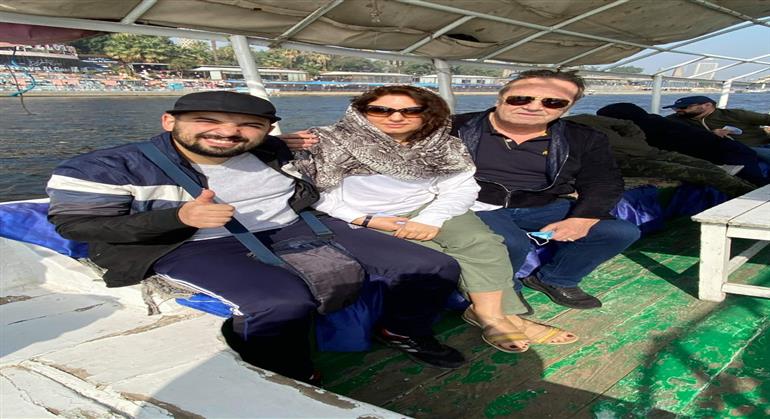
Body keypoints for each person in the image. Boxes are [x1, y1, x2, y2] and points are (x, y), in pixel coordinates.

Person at [45, 91, 469, 385]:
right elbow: (78, 226)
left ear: (266, 130)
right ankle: (290, 373)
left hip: (297, 225)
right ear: (169, 121)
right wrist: (177, 217)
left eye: (249, 125)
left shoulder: (269, 150)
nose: (229, 133)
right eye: (208, 122)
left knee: (431, 266)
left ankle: (402, 330)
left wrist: (276, 144)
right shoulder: (105, 166)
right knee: (279, 304)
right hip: (190, 243)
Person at [291, 85, 577, 353]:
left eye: (410, 110)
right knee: (438, 256)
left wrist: (431, 218)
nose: (396, 117)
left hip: (429, 207)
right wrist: (365, 219)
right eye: (381, 110)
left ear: (428, 113)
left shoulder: (444, 145)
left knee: (483, 242)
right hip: (360, 216)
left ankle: (490, 315)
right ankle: (507, 317)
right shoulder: (326, 142)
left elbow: (461, 188)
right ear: (361, 112)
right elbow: (316, 193)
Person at [452, 70, 641, 310]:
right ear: (500, 98)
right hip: (477, 202)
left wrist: (582, 218)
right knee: (511, 242)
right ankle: (505, 290)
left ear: (567, 107)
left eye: (552, 102)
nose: (533, 107)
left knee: (619, 232)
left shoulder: (583, 137)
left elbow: (603, 181)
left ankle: (555, 279)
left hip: (541, 203)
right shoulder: (454, 128)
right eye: (521, 99)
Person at [565, 113, 756, 197]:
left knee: (707, 166)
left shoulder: (583, 119)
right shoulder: (554, 135)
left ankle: (754, 195)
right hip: (624, 163)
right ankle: (750, 199)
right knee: (703, 173)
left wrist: (637, 141)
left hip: (649, 151)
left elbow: (627, 124)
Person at [597, 103, 768, 186]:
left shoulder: (644, 129)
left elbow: (645, 151)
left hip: (728, 154)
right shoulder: (656, 121)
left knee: (755, 186)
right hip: (728, 151)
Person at [663, 95, 770, 163]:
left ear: (707, 105)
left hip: (755, 146)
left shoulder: (734, 114)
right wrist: (709, 134)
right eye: (675, 108)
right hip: (722, 152)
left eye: (684, 107)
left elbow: (767, 119)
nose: (678, 110)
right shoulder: (675, 120)